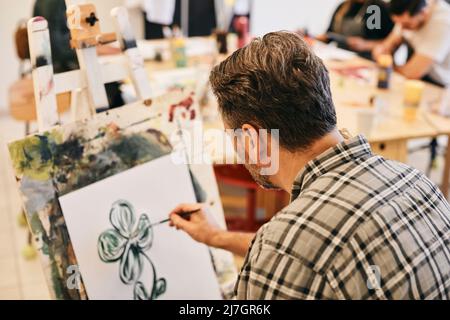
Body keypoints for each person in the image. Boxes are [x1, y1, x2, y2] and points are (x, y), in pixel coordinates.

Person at [169, 31, 450, 299]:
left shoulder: (285, 246)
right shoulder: (417, 182)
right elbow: (315, 248)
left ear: (252, 139)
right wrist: (217, 236)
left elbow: (298, 251)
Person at [33, 0, 125, 108]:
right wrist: (99, 49)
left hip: (61, 58)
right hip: (59, 64)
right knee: (105, 76)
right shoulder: (53, 3)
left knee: (109, 68)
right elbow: (60, 48)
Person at [373, 0, 450, 87]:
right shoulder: (407, 12)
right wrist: (381, 51)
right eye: (399, 24)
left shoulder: (443, 23)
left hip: (437, 84)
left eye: (407, 25)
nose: (402, 28)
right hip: (411, 74)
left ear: (424, 13)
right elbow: (387, 44)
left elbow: (411, 73)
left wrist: (387, 66)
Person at [317, 0, 394, 58]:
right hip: (341, 57)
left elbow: (390, 42)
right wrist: (318, 39)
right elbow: (329, 34)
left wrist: (365, 44)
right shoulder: (342, 7)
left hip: (366, 61)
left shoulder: (379, 8)